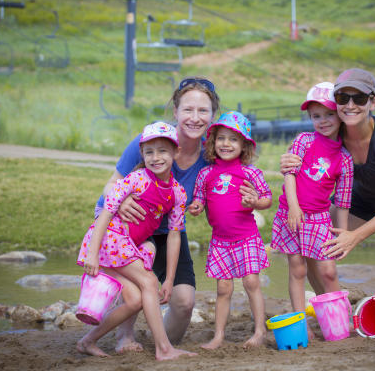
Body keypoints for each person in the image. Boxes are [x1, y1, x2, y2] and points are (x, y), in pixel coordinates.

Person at [281, 69, 375, 336]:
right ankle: (329, 309)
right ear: (335, 101)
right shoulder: (334, 132)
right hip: (364, 198)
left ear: (373, 102)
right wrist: (288, 161)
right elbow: (308, 151)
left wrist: (355, 236)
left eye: (359, 98)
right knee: (314, 233)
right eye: (343, 97)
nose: (350, 105)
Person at [94, 77, 222, 352]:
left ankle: (161, 344)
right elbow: (110, 184)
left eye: (203, 111)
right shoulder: (151, 142)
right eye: (188, 109)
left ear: (213, 116)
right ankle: (124, 338)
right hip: (129, 224)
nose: (195, 118)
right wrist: (122, 198)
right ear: (175, 111)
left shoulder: (211, 156)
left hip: (170, 230)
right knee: (139, 289)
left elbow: (214, 195)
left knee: (185, 301)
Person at [76, 122, 196, 360]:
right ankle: (164, 349)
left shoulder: (177, 193)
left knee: (135, 300)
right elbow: (106, 214)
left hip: (126, 246)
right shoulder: (135, 180)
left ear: (176, 153)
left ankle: (87, 341)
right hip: (109, 240)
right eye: (149, 152)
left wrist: (170, 279)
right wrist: (91, 253)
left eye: (162, 151)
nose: (155, 157)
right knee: (149, 282)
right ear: (141, 154)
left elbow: (174, 236)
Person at [271, 82, 353, 336]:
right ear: (310, 118)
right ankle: (300, 323)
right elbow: (289, 173)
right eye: (317, 116)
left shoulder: (344, 158)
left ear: (339, 115)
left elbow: (342, 200)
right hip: (291, 214)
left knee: (328, 270)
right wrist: (294, 207)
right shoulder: (304, 141)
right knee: (297, 269)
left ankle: (342, 318)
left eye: (329, 114)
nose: (323, 121)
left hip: (318, 219)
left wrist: (343, 233)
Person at [188, 111, 272, 349]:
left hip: (246, 238)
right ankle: (218, 336)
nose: (226, 144)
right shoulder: (206, 173)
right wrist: (195, 207)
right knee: (223, 288)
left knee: (251, 283)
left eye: (233, 139)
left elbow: (267, 199)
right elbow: (199, 200)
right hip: (220, 241)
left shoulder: (250, 172)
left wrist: (255, 201)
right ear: (213, 142)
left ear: (243, 145)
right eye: (221, 138)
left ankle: (259, 331)